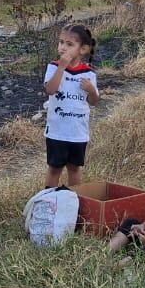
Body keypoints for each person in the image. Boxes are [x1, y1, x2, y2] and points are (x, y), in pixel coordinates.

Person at [42, 23, 99, 188]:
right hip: (57, 131)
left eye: (69, 44)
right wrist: (61, 68)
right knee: (54, 168)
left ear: (83, 49)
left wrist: (91, 90)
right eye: (61, 42)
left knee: (74, 169)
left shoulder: (88, 73)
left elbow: (94, 102)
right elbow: (50, 89)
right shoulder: (53, 67)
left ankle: (74, 200)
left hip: (78, 132)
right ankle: (48, 202)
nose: (63, 48)